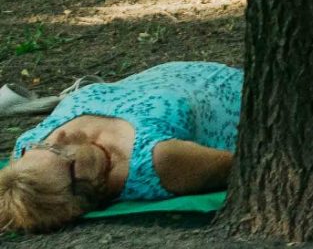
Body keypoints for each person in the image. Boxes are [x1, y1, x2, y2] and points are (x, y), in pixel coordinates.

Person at [1, 62, 241, 234]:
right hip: (239, 87)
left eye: (39, 145)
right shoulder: (159, 160)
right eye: (57, 151)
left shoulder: (26, 147)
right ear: (87, 184)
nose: (58, 136)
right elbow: (243, 165)